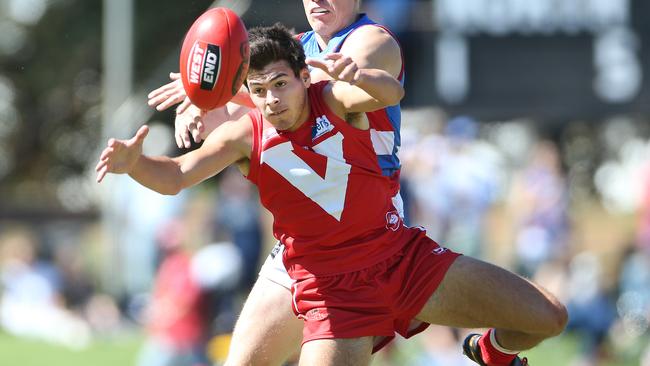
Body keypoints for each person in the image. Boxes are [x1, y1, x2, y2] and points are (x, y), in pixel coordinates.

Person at [98, 24, 566, 366]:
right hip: (333, 295)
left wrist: (356, 75)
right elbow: (178, 174)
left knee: (549, 317)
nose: (272, 100)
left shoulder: (334, 99)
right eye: (259, 90)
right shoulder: (244, 134)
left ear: (304, 77)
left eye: (281, 84)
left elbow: (391, 92)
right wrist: (134, 164)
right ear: (247, 93)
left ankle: (490, 354)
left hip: (403, 258)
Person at [148, 2, 408, 364]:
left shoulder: (369, 40)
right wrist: (204, 102)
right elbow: (252, 114)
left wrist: (226, 89)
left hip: (368, 223)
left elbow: (316, 92)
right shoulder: (293, 50)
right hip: (309, 231)